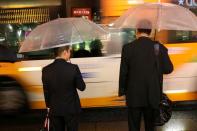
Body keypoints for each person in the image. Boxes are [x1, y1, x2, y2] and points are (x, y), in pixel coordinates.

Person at [119, 20, 173, 131]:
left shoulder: (128, 48)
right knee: (150, 126)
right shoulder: (158, 47)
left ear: (137, 31)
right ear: (150, 31)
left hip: (133, 95)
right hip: (152, 95)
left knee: (134, 126)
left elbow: (124, 72)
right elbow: (168, 69)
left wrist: (123, 91)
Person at [42, 45, 86, 131]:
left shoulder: (46, 70)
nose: (70, 54)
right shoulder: (73, 68)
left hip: (55, 109)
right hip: (71, 109)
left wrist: (48, 107)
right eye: (69, 51)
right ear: (65, 52)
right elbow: (82, 87)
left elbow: (46, 91)